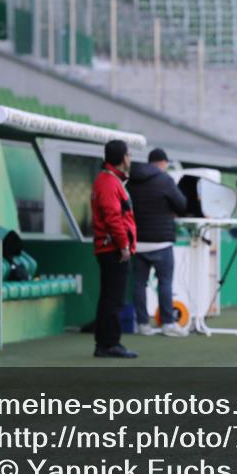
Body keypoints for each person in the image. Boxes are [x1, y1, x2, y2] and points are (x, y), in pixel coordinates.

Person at [127, 147, 188, 338]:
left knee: (139, 284)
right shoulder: (165, 180)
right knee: (165, 283)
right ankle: (168, 324)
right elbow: (182, 204)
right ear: (163, 163)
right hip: (161, 242)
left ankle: (142, 324)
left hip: (138, 241)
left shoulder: (132, 181)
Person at [90, 140, 138, 358]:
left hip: (109, 247)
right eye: (128, 154)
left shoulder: (108, 180)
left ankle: (104, 344)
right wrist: (123, 245)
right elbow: (113, 217)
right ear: (122, 158)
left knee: (109, 297)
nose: (130, 158)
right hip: (113, 249)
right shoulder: (109, 183)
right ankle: (110, 344)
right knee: (113, 299)